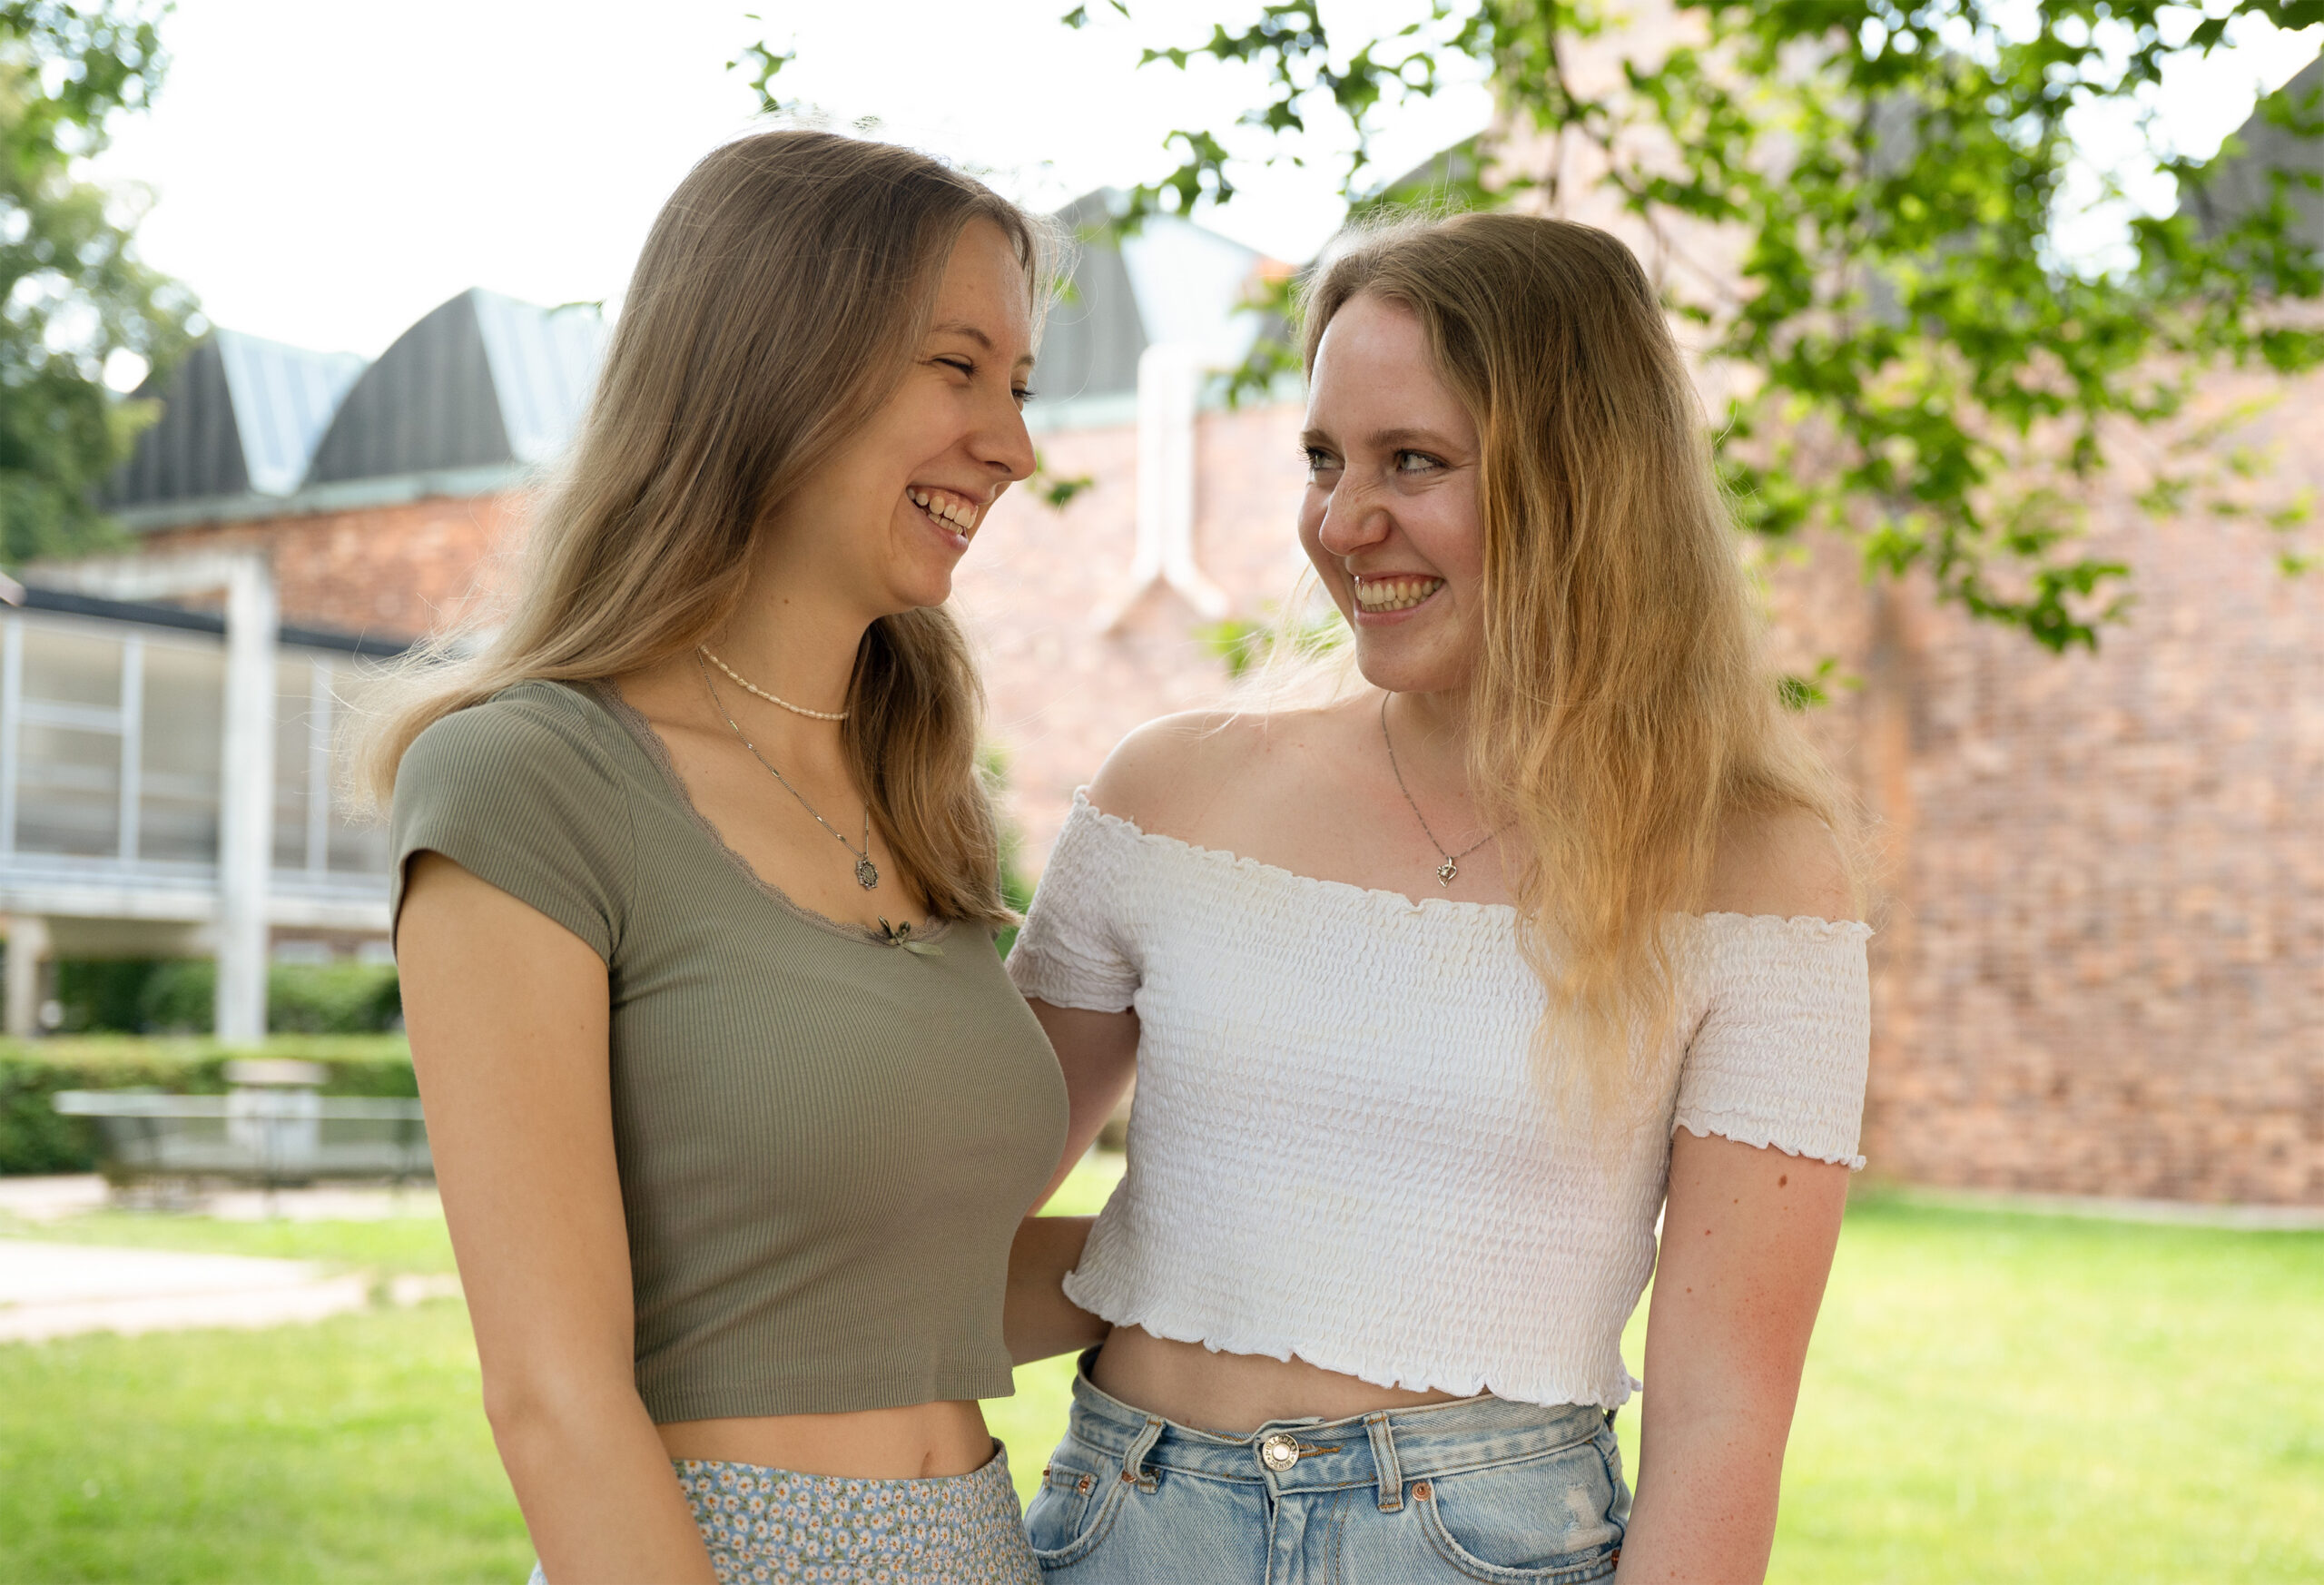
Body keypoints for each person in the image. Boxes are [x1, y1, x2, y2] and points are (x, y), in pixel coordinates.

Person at [1004, 212, 1873, 1582]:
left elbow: (1724, 1413)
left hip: (1488, 1541)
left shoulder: (1758, 873)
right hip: (1125, 1522)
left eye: (1414, 461)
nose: (1344, 523)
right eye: (1323, 458)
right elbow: (943, 1217)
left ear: (1585, 481)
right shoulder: (1167, 795)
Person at [372, 130, 1068, 1584]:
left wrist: (1286, 1251)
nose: (1012, 443)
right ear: (777, 361)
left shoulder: (918, 800)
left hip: (983, 1543)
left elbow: (889, 1281)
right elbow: (555, 1401)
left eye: (1019, 385)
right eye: (958, 367)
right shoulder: (527, 778)